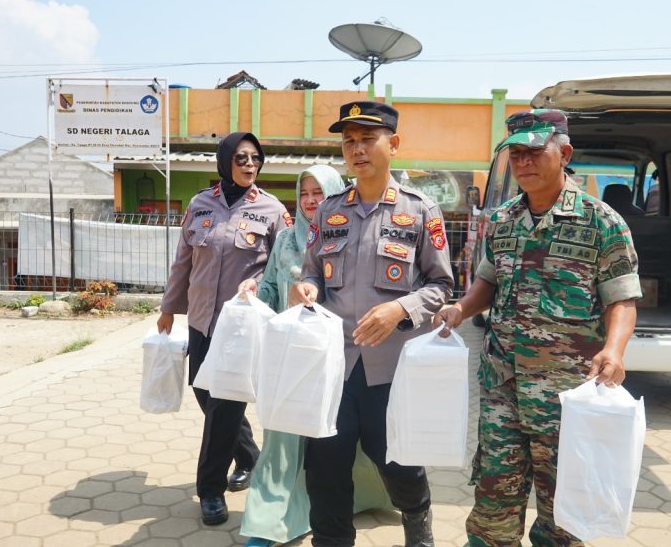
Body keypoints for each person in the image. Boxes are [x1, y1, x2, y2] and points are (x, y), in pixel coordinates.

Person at [433, 109, 641, 547]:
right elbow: (488, 281)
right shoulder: (504, 219)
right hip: (503, 384)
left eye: (533, 151)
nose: (523, 161)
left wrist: (615, 350)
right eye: (515, 153)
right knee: (493, 501)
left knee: (562, 510)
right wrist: (460, 309)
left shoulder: (601, 221)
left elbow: (621, 298)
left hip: (566, 394)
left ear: (564, 153)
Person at [289, 101, 454, 547]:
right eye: (349, 141)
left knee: (396, 461)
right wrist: (305, 288)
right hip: (333, 367)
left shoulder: (421, 211)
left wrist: (399, 309)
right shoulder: (328, 212)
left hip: (392, 368)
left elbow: (441, 285)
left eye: (367, 139)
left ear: (393, 144)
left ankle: (417, 518)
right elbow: (310, 272)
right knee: (324, 466)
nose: (357, 149)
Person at [236, 164, 393, 547]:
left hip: (341, 355)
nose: (310, 201)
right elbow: (273, 286)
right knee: (284, 436)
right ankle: (269, 519)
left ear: (336, 194)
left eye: (318, 192)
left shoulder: (351, 234)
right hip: (293, 356)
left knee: (335, 442)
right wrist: (256, 290)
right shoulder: (288, 239)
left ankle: (353, 501)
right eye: (304, 193)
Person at [157, 131, 291, 526]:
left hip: (240, 327)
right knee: (204, 395)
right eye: (242, 158)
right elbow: (183, 261)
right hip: (200, 321)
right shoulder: (200, 204)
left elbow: (283, 265)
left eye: (255, 158)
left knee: (223, 408)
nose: (250, 165)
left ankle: (210, 490)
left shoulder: (271, 210)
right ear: (225, 160)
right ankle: (251, 456)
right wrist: (169, 308)